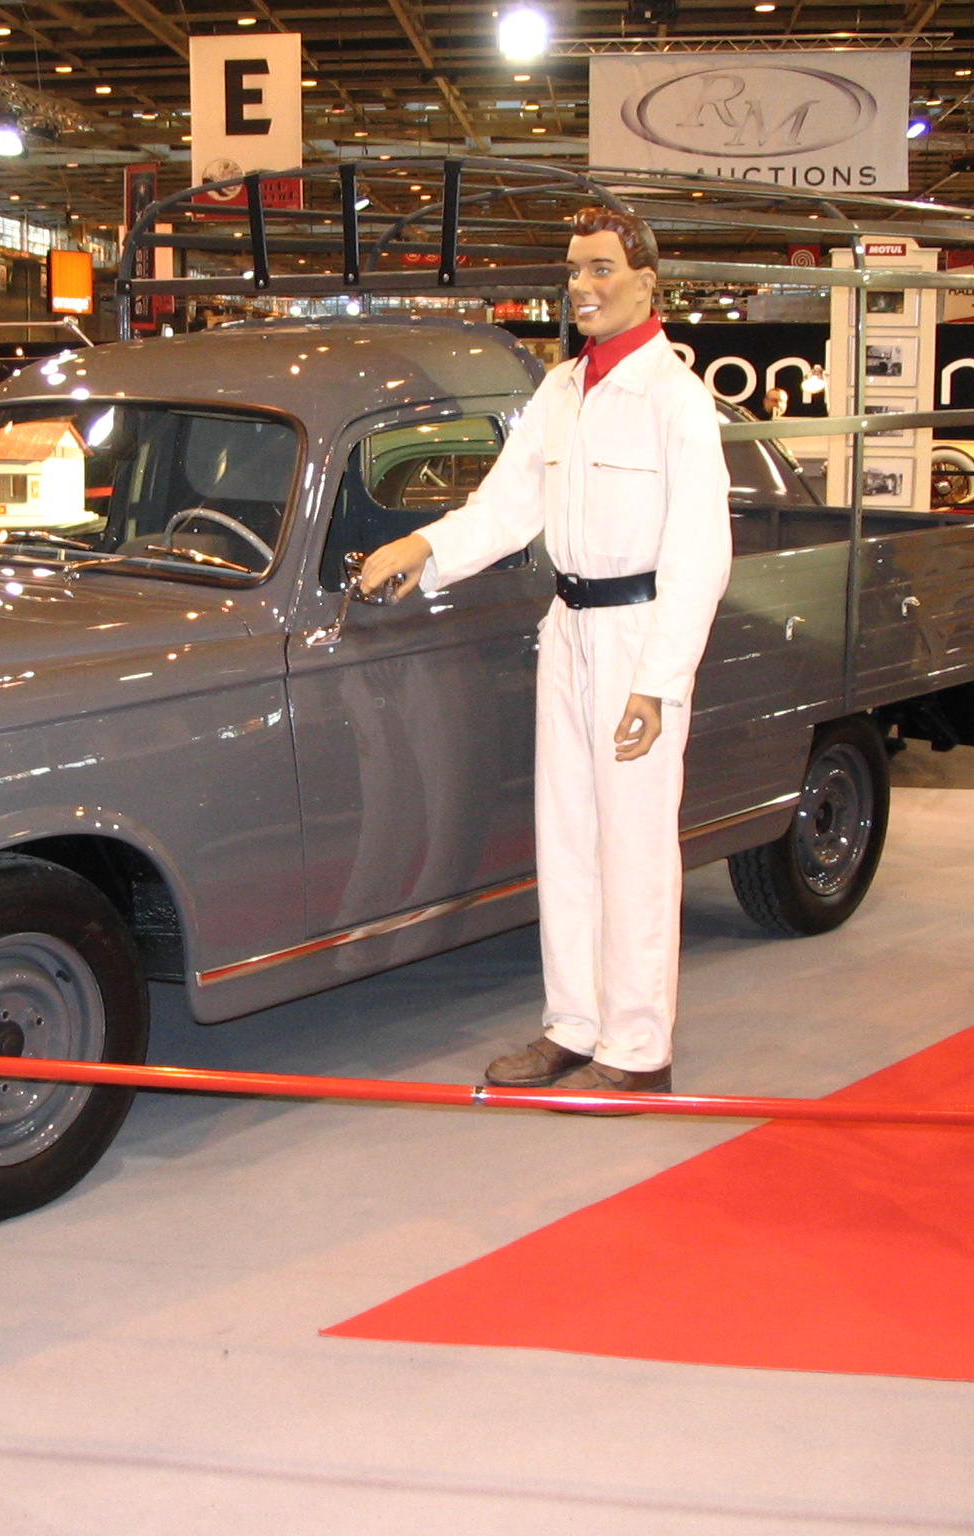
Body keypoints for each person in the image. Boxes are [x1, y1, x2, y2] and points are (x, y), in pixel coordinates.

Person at [357, 206, 733, 1102]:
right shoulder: (562, 390)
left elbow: (701, 553)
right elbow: (504, 506)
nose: (582, 287)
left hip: (638, 631)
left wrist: (658, 681)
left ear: (647, 282)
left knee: (634, 844)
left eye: (602, 269)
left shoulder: (676, 401)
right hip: (568, 627)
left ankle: (638, 1048)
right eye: (573, 270)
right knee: (565, 837)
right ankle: (575, 1025)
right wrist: (423, 548)